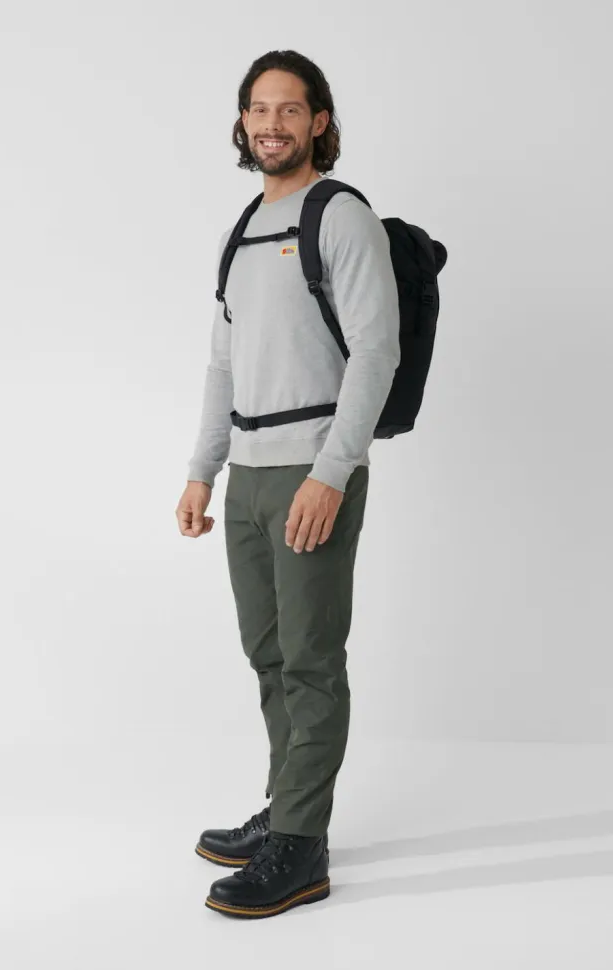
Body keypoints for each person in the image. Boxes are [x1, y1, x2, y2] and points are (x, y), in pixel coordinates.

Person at [175, 49, 400, 919]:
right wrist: (202, 471)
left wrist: (331, 473)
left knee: (310, 661)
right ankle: (287, 810)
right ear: (243, 122)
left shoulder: (341, 216)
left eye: (290, 109)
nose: (272, 124)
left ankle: (302, 848)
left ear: (319, 122)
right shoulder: (242, 230)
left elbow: (375, 352)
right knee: (268, 655)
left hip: (312, 469)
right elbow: (223, 363)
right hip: (248, 478)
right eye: (259, 109)